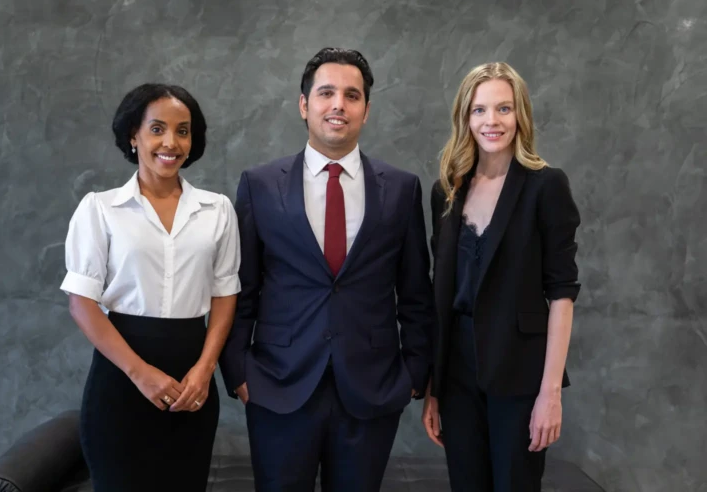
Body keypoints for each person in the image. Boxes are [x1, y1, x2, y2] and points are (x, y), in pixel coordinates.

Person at [219, 47, 434, 492]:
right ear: (304, 105)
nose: (339, 104)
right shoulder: (260, 185)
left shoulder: (400, 188)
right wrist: (236, 368)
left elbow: (415, 290)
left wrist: (417, 370)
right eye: (327, 93)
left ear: (366, 110)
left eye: (352, 96)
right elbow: (243, 286)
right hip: (278, 383)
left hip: (372, 385)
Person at [60, 83, 240, 492]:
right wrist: (140, 374)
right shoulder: (100, 209)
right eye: (157, 128)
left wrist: (205, 369)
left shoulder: (217, 211)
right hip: (120, 382)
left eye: (183, 130)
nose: (171, 142)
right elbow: (81, 304)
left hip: (192, 382)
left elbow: (225, 294)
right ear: (133, 135)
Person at [421, 62, 581, 492]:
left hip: (520, 373)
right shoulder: (447, 190)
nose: (491, 121)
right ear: (465, 117)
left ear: (520, 115)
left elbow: (562, 293)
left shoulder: (546, 186)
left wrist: (551, 392)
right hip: (456, 374)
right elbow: (442, 291)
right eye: (480, 110)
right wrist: (434, 385)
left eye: (504, 109)